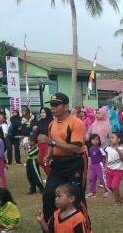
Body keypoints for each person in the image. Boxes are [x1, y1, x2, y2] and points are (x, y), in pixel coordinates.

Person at [38, 93, 89, 224]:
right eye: (51, 105)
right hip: (58, 163)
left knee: (76, 195)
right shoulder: (52, 124)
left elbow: (76, 148)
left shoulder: (76, 123)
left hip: (76, 161)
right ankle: (51, 226)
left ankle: (83, 225)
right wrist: (49, 154)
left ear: (65, 106)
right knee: (49, 194)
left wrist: (52, 142)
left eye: (56, 105)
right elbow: (52, 143)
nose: (53, 108)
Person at [104, 132, 123, 205]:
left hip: (118, 171)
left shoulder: (121, 148)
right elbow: (107, 157)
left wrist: (118, 150)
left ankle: (117, 202)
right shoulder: (108, 148)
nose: (111, 139)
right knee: (110, 187)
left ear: (118, 139)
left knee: (114, 186)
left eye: (113, 138)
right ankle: (120, 197)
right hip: (109, 170)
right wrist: (106, 167)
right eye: (110, 138)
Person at [85, 134, 109, 198]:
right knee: (91, 179)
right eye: (94, 139)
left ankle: (107, 191)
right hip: (92, 166)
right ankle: (92, 192)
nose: (95, 141)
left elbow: (104, 155)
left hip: (99, 165)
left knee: (102, 178)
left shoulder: (100, 148)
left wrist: (103, 161)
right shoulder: (90, 149)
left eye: (97, 139)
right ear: (90, 140)